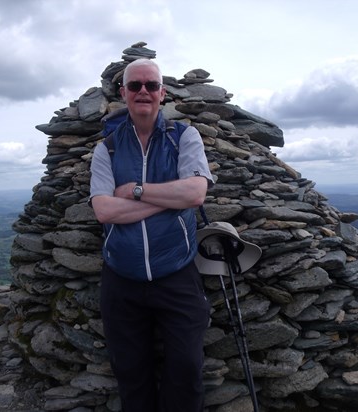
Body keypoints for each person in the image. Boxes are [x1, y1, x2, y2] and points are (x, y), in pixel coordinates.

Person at [89, 58, 214, 412]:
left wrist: (138, 191)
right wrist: (168, 201)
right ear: (122, 93)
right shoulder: (108, 148)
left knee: (186, 369)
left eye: (150, 85)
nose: (143, 91)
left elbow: (195, 194)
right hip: (121, 279)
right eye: (135, 86)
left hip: (176, 274)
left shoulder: (184, 137)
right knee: (130, 371)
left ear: (163, 93)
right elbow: (104, 211)